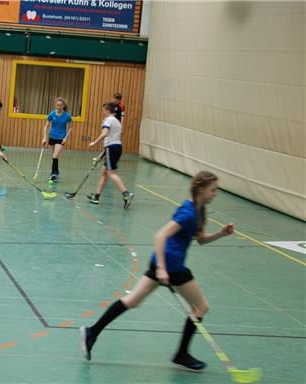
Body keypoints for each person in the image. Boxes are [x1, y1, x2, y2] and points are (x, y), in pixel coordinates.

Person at [81, 171, 235, 372]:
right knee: (201, 307)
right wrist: (162, 268)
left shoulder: (200, 210)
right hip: (171, 265)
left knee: (133, 300)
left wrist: (221, 234)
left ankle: (92, 332)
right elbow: (160, 235)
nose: (215, 194)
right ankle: (181, 354)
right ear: (201, 189)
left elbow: (201, 240)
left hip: (163, 261)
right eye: (213, 190)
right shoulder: (188, 213)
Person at [87, 102, 134, 208]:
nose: (103, 112)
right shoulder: (117, 121)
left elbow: (105, 134)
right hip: (116, 147)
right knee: (104, 172)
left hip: (112, 148)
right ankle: (97, 196)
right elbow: (112, 138)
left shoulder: (108, 120)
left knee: (111, 173)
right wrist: (102, 154)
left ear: (108, 110)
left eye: (104, 110)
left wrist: (94, 142)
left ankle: (126, 194)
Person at [41, 97, 73, 183]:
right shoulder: (51, 114)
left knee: (55, 156)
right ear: (56, 105)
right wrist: (44, 138)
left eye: (61, 105)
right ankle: (57, 172)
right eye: (58, 105)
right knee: (55, 156)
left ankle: (53, 174)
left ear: (63, 106)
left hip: (61, 138)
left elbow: (70, 128)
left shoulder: (67, 116)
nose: (59, 107)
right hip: (52, 137)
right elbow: (46, 126)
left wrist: (65, 138)